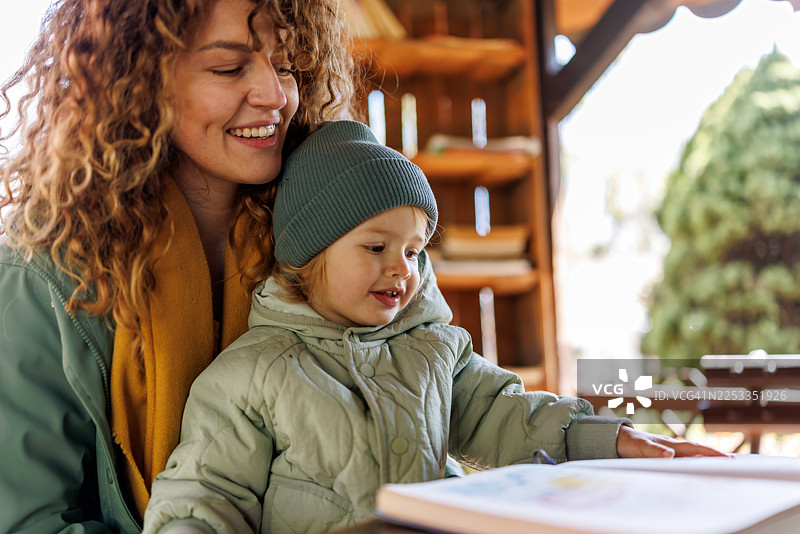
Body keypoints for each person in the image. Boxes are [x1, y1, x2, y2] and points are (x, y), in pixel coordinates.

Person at [142, 120, 729, 534]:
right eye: (376, 246)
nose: (402, 267)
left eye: (416, 250)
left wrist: (607, 441)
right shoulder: (251, 374)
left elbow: (509, 416)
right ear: (308, 254)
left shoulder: (434, 351)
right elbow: (205, 497)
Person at [0, 0, 356, 531]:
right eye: (229, 68)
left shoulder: (342, 232)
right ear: (141, 82)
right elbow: (32, 522)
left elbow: (408, 417)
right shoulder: (39, 279)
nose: (275, 96)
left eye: (285, 66)